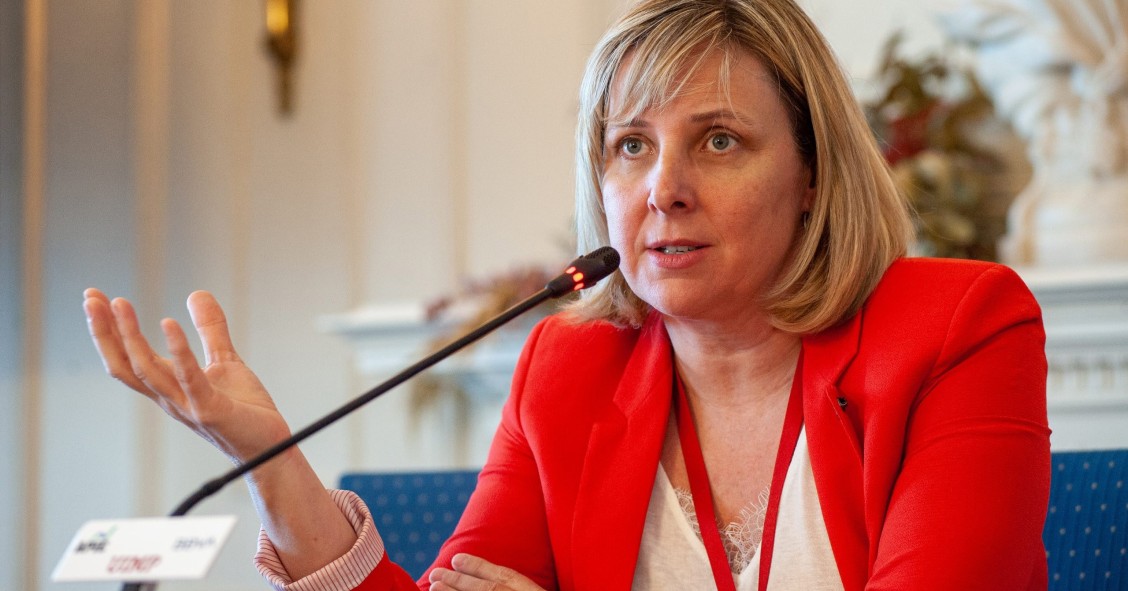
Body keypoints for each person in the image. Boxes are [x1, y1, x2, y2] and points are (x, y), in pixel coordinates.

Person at [83, 0, 1051, 589]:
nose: (663, 186)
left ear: (812, 175)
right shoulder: (570, 372)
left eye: (719, 140)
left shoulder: (957, 328)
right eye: (631, 145)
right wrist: (270, 462)